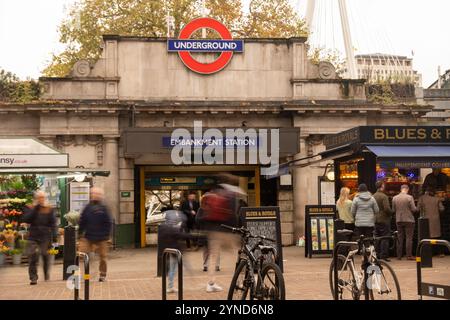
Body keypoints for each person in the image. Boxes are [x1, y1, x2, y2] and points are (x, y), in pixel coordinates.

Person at [200, 174, 243, 293]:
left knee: (213, 257)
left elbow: (204, 214)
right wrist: (237, 229)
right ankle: (242, 279)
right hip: (227, 231)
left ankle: (210, 284)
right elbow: (233, 215)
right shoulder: (231, 194)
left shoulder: (212, 193)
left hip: (213, 231)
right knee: (238, 254)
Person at [21, 191, 58, 285]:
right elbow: (26, 219)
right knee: (32, 256)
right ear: (36, 198)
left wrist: (54, 235)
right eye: (39, 197)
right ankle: (33, 278)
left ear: (44, 198)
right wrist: (36, 208)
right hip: (33, 236)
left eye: (42, 197)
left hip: (45, 236)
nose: (41, 199)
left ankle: (46, 272)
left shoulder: (49, 209)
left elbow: (53, 223)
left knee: (45, 255)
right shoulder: (30, 207)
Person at [78, 187, 113, 282]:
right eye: (93, 194)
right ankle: (86, 274)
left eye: (97, 194)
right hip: (88, 236)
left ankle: (102, 275)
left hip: (102, 237)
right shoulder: (87, 207)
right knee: (83, 254)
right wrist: (80, 234)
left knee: (103, 257)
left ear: (100, 196)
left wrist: (107, 235)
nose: (94, 195)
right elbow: (82, 221)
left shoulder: (104, 208)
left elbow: (109, 222)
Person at [158, 207, 190, 294]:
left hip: (171, 248)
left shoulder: (165, 224)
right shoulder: (175, 224)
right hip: (175, 248)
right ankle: (170, 286)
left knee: (174, 267)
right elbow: (181, 235)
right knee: (174, 268)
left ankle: (171, 285)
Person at [418, 187, 445, 257]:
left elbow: (417, 208)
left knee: (426, 236)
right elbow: (442, 209)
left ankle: (427, 253)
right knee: (437, 237)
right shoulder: (436, 199)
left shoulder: (421, 198)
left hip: (425, 220)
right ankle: (440, 253)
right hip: (435, 220)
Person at [392, 184, 417, 260]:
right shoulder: (409, 197)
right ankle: (408, 255)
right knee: (409, 238)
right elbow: (414, 209)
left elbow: (393, 210)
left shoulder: (394, 198)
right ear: (407, 189)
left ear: (401, 189)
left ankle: (399, 256)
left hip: (399, 219)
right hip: (409, 220)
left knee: (400, 238)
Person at [373, 181, 393, 261]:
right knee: (385, 237)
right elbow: (387, 208)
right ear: (382, 186)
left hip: (375, 219)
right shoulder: (384, 196)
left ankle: (376, 255)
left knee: (377, 238)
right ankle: (384, 255)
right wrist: (391, 213)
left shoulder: (373, 196)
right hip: (384, 219)